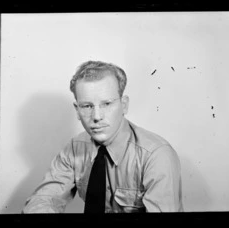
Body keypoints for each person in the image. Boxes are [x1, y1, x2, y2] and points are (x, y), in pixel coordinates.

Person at [22, 60, 183, 213]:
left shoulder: (156, 156)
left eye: (106, 104)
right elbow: (43, 200)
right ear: (77, 110)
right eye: (87, 106)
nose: (97, 116)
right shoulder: (75, 147)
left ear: (124, 105)